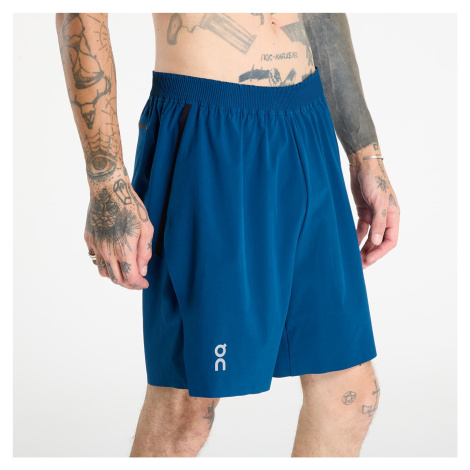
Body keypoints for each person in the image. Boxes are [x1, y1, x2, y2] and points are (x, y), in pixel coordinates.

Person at [56, 13, 400, 457]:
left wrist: (366, 154)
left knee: (349, 394)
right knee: (187, 406)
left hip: (306, 121)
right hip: (209, 125)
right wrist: (106, 181)